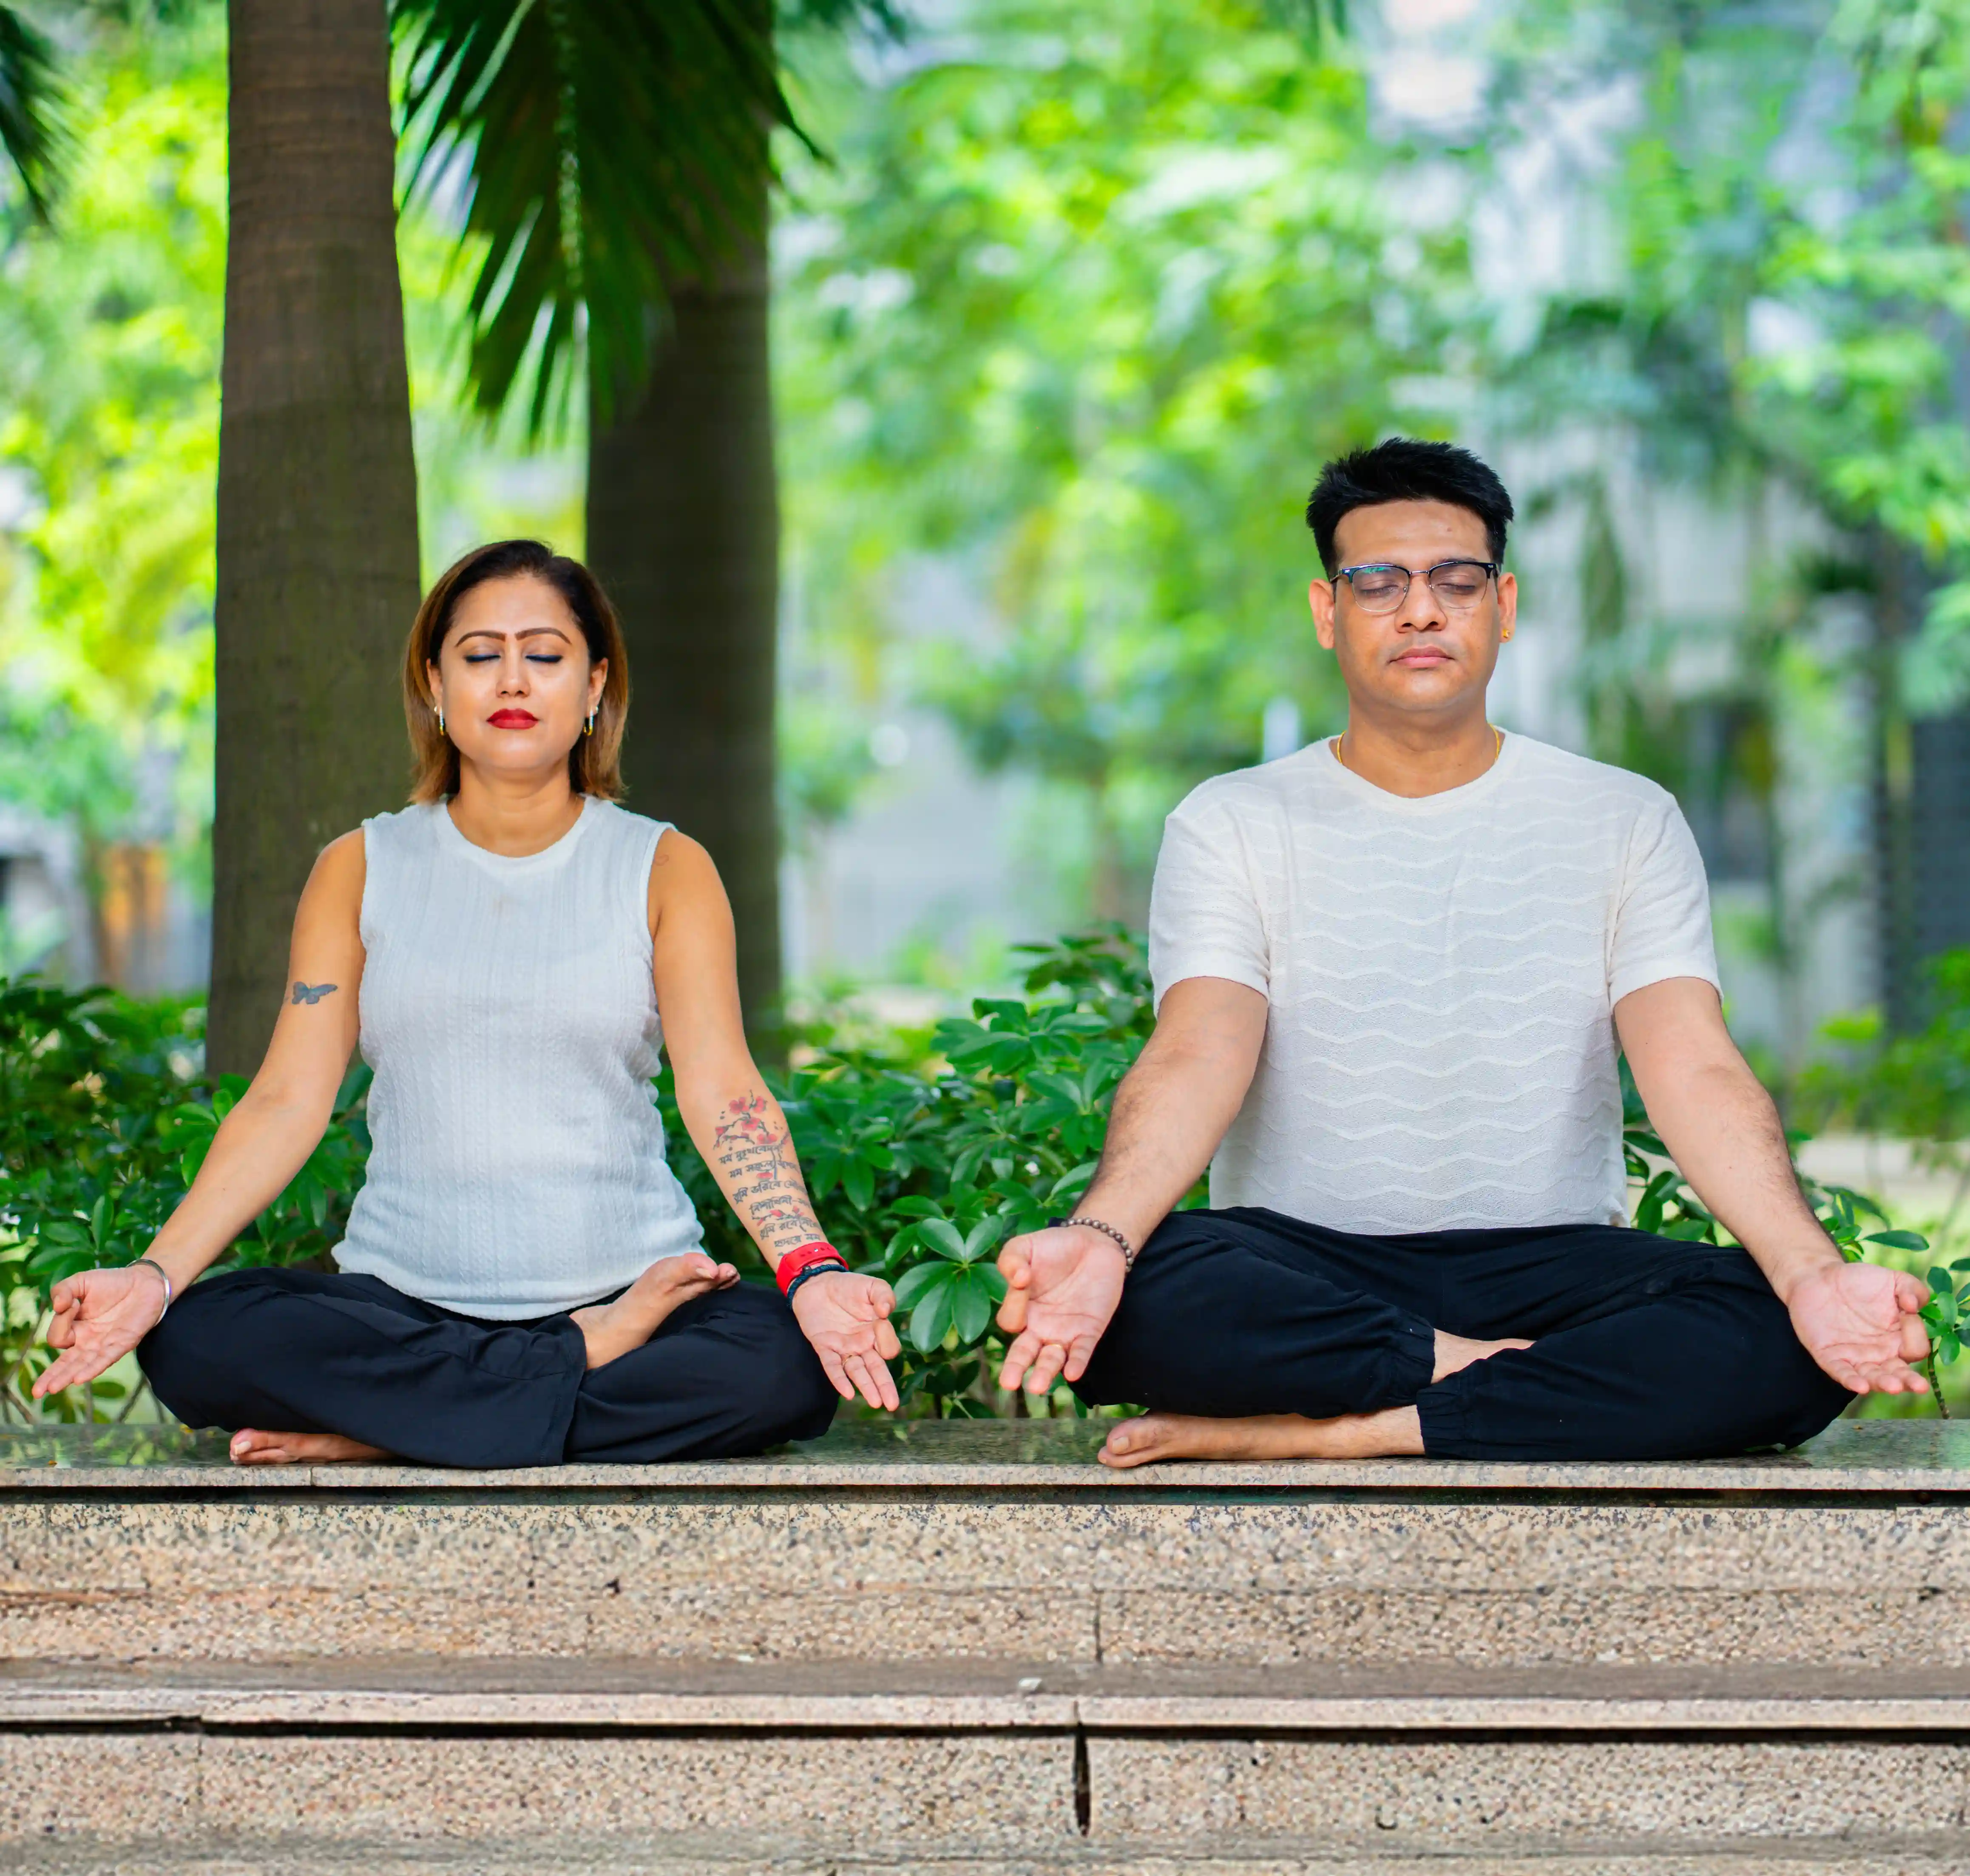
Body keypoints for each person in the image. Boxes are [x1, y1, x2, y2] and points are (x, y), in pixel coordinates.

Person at [994, 438, 1931, 1467]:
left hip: (1552, 1263)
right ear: (1326, 612)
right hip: (1307, 1262)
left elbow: (1692, 1064)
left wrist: (1809, 1275)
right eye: (1378, 582)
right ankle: (1513, 1386)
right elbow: (1199, 1048)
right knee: (1146, 1284)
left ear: (1504, 604)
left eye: (1455, 580)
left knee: (1775, 1328)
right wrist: (1101, 1237)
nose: (1421, 610)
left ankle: (1351, 1431)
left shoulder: (1623, 816)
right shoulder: (1232, 820)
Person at [33, 539, 900, 1467]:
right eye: (481, 655)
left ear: (595, 683)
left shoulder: (664, 866)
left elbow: (725, 1091)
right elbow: (288, 1099)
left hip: (634, 1292)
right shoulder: (361, 867)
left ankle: (397, 1426)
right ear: (435, 686)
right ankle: (556, 1371)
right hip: (407, 1299)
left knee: (780, 1365)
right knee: (197, 1336)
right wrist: (154, 1278)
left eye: (546, 653)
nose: (512, 679)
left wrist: (812, 1269)